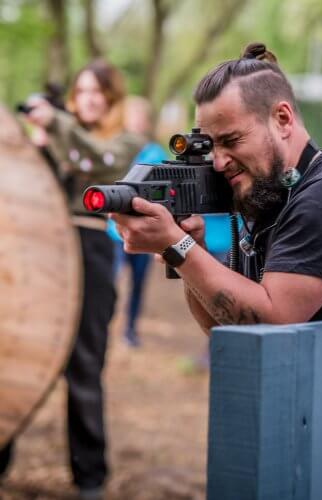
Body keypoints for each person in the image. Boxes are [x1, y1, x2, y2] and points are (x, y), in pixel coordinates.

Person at [112, 42, 322, 337]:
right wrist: (193, 249)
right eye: (211, 146)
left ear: (282, 119)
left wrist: (180, 248)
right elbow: (228, 327)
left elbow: (273, 326)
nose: (218, 163)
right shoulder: (274, 194)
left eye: (231, 141)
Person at [22, 60, 144, 500]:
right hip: (42, 255)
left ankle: (89, 477)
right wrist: (38, 138)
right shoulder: (56, 137)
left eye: (98, 93)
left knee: (84, 366)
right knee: (20, 353)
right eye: (82, 92)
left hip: (91, 251)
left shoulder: (124, 142)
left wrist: (54, 125)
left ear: (111, 100)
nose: (89, 100)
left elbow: (96, 159)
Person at [107, 96, 167, 347]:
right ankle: (106, 323)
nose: (136, 122)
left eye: (140, 118)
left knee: (138, 284)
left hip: (145, 232)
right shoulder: (114, 148)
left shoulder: (155, 152)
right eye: (131, 117)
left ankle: (130, 329)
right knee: (112, 281)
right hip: (115, 231)